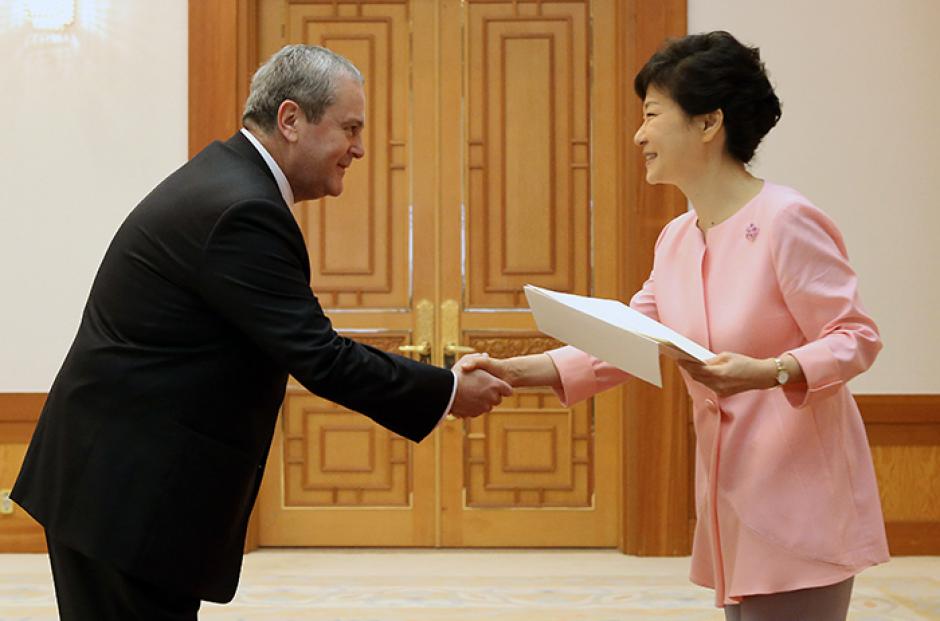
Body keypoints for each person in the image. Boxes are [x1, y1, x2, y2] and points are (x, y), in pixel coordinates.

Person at [12, 45, 511, 620]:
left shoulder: (228, 181)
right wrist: (446, 390)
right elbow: (319, 356)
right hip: (124, 495)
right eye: (349, 127)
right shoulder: (241, 208)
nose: (360, 148)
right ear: (291, 119)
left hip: (120, 484)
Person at [461, 31, 888, 621]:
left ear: (709, 122)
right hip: (730, 500)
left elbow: (856, 337)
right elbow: (626, 339)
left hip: (801, 498)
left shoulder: (787, 219)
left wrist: (770, 372)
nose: (639, 134)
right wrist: (508, 371)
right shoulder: (678, 239)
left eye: (652, 115)